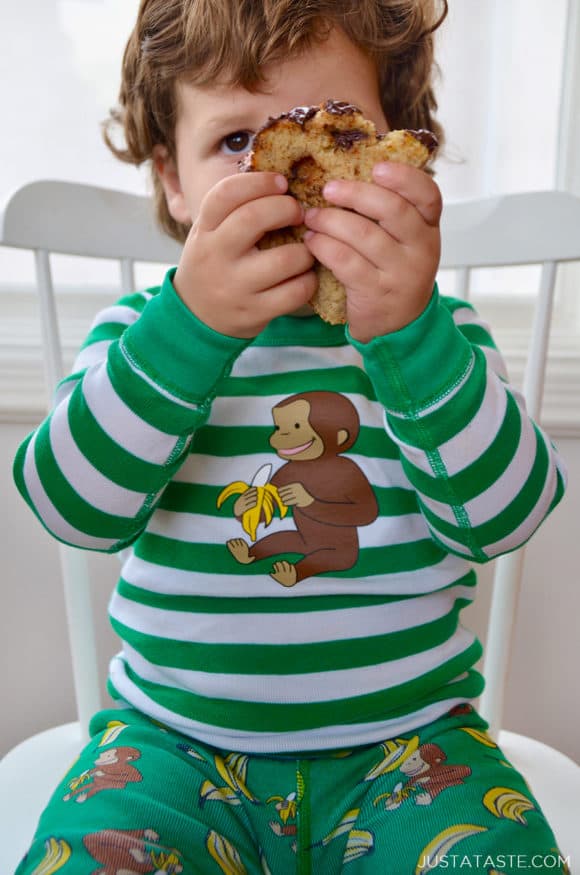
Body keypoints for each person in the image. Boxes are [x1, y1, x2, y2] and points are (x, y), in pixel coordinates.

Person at [13, 1, 569, 873]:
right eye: (236, 142)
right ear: (172, 180)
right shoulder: (142, 336)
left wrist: (410, 335)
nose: (284, 173)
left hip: (412, 750)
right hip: (170, 747)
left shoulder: (438, 338)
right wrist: (186, 328)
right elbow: (69, 506)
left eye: (336, 131)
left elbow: (505, 517)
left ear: (398, 155)